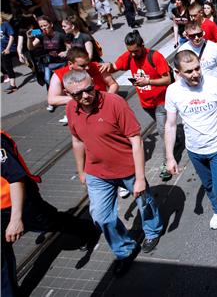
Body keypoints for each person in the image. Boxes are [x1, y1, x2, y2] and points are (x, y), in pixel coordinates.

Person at [65, 70, 163, 276]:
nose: (84, 97)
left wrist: (139, 179)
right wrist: (81, 170)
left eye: (88, 90)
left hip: (127, 168)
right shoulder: (71, 109)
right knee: (101, 216)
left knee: (144, 202)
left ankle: (153, 230)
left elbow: (136, 140)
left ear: (94, 84)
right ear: (69, 94)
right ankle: (125, 249)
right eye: (77, 94)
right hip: (97, 172)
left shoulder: (114, 103)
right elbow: (77, 141)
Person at [1, 131, 98, 297]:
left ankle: (88, 229)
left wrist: (16, 219)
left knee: (50, 222)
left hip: (19, 202)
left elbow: (16, 178)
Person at [164, 50, 217, 233]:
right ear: (178, 73)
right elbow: (170, 124)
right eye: (189, 71)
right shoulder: (173, 91)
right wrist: (170, 157)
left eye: (197, 68)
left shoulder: (215, 84)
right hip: (194, 149)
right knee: (208, 185)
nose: (195, 74)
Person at [100, 30, 174, 180]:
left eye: (135, 51)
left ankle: (167, 163)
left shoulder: (155, 56)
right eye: (130, 51)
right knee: (165, 129)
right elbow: (115, 66)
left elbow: (167, 80)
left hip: (162, 101)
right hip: (146, 104)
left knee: (162, 130)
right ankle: (174, 139)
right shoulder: (129, 57)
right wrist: (108, 65)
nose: (133, 54)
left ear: (142, 45)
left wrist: (148, 82)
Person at [49, 47, 118, 124]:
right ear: (70, 64)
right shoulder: (59, 75)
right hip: (82, 116)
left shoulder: (98, 67)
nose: (87, 67)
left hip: (104, 110)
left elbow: (113, 84)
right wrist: (78, 97)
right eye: (82, 66)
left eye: (88, 63)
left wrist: (106, 99)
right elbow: (52, 99)